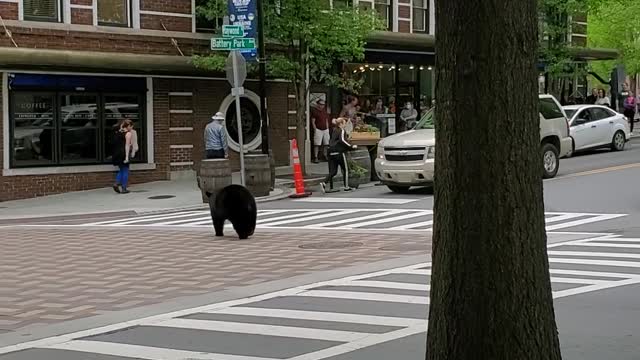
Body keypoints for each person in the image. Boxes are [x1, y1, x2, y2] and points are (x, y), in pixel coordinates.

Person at [321, 117, 357, 193]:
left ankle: (324, 182)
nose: (345, 125)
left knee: (333, 171)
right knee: (345, 169)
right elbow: (342, 140)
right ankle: (346, 186)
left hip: (331, 152)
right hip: (339, 152)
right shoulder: (342, 130)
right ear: (340, 124)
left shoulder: (334, 131)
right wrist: (351, 147)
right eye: (344, 123)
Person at [112, 119, 134, 194]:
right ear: (128, 126)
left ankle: (116, 183)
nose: (131, 128)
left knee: (121, 169)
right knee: (125, 170)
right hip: (123, 153)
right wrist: (127, 157)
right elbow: (127, 145)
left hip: (116, 153)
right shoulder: (128, 134)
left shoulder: (118, 132)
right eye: (131, 126)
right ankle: (124, 188)